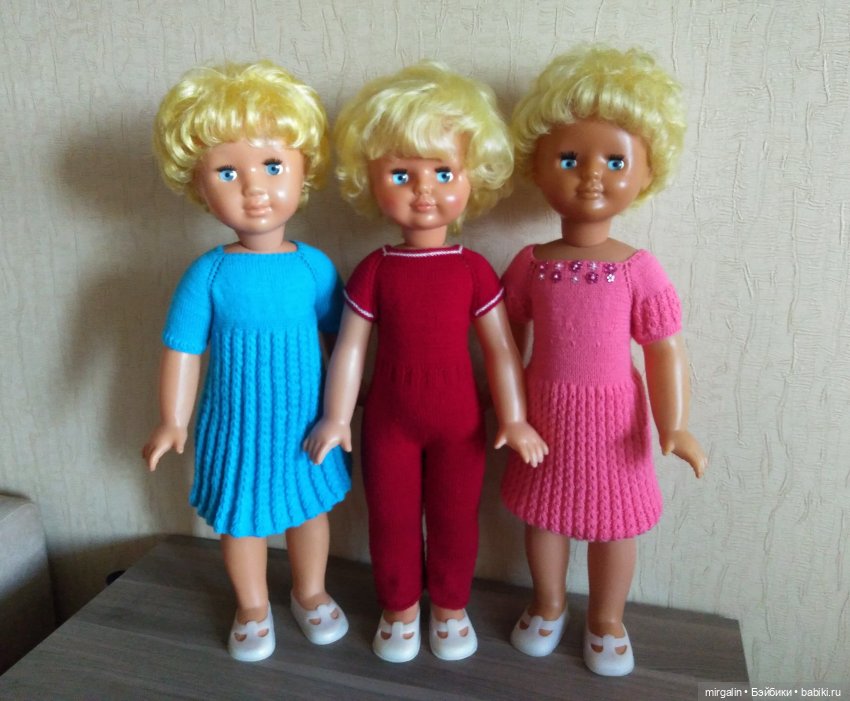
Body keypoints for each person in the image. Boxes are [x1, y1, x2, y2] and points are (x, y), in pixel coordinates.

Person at [304, 61, 548, 663]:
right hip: (388, 421)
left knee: (455, 518)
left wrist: (514, 417)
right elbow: (351, 347)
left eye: (443, 172)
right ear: (370, 180)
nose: (424, 190)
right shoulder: (376, 269)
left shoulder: (472, 269)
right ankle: (399, 608)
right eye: (401, 174)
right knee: (389, 517)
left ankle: (451, 607)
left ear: (472, 177)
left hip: (460, 423)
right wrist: (336, 417)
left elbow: (500, 348)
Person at [501, 45, 707, 676]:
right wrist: (506, 409)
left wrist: (674, 425)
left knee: (616, 525)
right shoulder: (530, 263)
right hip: (544, 416)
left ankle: (607, 618)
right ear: (537, 168)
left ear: (646, 173)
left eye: (615, 161)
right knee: (545, 516)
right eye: (570, 159)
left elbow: (664, 348)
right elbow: (505, 340)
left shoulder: (638, 269)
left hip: (617, 421)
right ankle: (549, 602)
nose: (591, 176)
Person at [142, 61, 350, 662]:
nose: (254, 188)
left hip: (306, 424)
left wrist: (346, 406)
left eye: (273, 166)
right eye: (228, 172)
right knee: (242, 521)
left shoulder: (314, 266)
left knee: (309, 510)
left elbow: (342, 342)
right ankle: (253, 605)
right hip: (234, 429)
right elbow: (183, 348)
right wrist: (173, 420)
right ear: (199, 186)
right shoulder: (208, 273)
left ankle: (310, 592)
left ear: (304, 170)